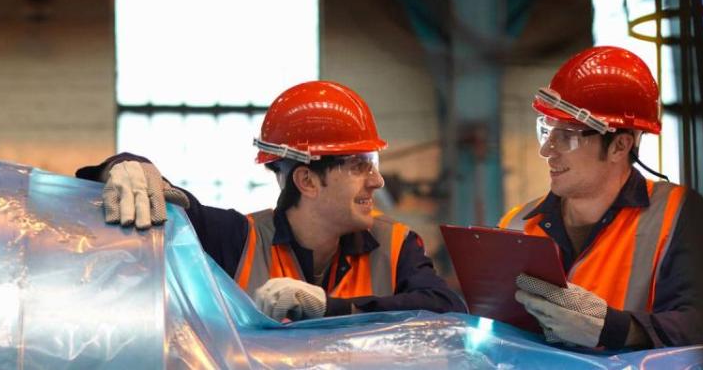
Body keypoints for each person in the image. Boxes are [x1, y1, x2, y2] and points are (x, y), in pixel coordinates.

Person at [77, 81, 465, 322]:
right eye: (359, 166)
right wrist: (126, 165)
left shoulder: (397, 247)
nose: (377, 180)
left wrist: (330, 309)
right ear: (307, 180)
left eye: (373, 164)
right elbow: (172, 204)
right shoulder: (236, 240)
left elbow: (448, 309)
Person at [500, 46, 703, 349]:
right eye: (546, 130)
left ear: (620, 146)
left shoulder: (677, 215)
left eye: (566, 135)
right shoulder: (516, 224)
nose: (546, 150)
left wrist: (616, 330)